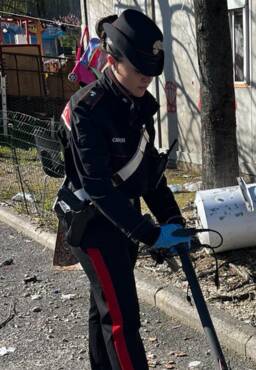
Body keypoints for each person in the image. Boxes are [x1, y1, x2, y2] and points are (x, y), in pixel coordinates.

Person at [57, 9, 188, 370]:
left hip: (122, 219)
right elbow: (97, 186)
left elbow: (148, 175)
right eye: (139, 69)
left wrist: (173, 219)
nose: (148, 77)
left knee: (105, 307)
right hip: (93, 225)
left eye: (152, 72)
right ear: (113, 61)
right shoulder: (87, 109)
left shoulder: (138, 105)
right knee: (122, 320)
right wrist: (148, 233)